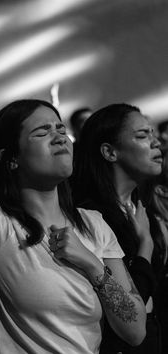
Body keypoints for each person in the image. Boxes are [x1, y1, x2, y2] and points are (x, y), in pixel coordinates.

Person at [0, 79, 146, 354]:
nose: (59, 136)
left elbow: (136, 330)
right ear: (11, 158)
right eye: (42, 132)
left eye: (60, 128)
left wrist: (92, 264)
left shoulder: (94, 223)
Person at [73, 103, 166, 354]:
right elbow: (126, 305)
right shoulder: (92, 217)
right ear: (109, 152)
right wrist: (145, 245)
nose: (156, 142)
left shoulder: (143, 208)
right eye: (142, 135)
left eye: (152, 133)